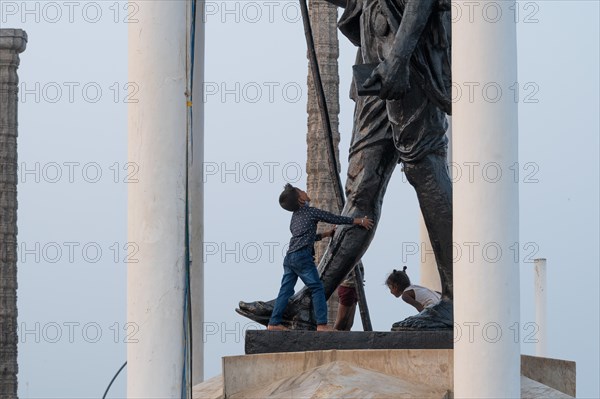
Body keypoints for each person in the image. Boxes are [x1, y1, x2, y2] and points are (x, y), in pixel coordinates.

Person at [238, 0, 453, 330]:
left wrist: (398, 59)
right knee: (360, 191)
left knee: (424, 168)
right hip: (374, 67)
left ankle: (457, 301)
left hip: (410, 62)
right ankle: (310, 302)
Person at [267, 184, 373, 331]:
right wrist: (359, 221)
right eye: (301, 191)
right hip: (302, 258)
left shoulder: (295, 218)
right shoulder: (310, 212)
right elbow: (333, 218)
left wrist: (326, 234)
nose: (304, 191)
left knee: (285, 291)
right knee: (317, 289)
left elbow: (306, 236)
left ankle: (273, 323)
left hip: (290, 257)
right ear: (300, 199)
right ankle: (322, 324)